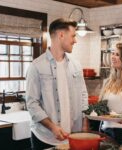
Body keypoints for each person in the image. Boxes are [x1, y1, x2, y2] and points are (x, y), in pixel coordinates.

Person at [26, 18, 89, 150]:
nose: (75, 40)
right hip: (45, 138)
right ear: (61, 35)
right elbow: (32, 103)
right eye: (73, 36)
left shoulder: (76, 65)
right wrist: (53, 127)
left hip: (72, 137)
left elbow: (83, 95)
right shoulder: (36, 66)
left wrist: (85, 122)